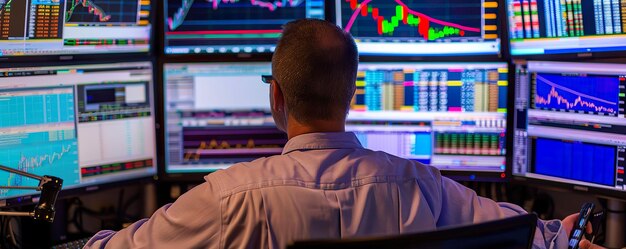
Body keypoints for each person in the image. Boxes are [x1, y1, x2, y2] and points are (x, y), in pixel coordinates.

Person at [85, 19, 603, 249]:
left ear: (277, 98)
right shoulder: (417, 185)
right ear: (351, 96)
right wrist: (565, 234)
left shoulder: (227, 199)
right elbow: (519, 231)